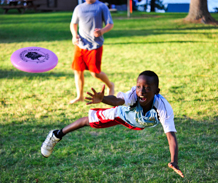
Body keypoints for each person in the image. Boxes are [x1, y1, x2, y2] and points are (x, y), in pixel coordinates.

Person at [41, 70, 184, 178]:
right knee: (88, 120)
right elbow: (116, 101)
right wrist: (103, 99)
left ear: (156, 91)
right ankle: (56, 134)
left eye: (147, 87)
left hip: (139, 123)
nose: (141, 91)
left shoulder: (163, 107)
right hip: (122, 115)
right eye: (139, 86)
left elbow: (171, 136)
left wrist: (174, 161)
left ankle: (57, 134)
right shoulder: (134, 94)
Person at [69, 0, 114, 104]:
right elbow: (73, 24)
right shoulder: (79, 8)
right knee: (77, 71)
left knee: (95, 73)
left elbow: (110, 24)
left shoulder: (101, 7)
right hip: (80, 45)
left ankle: (111, 85)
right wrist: (74, 35)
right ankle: (79, 96)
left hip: (95, 46)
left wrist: (102, 31)